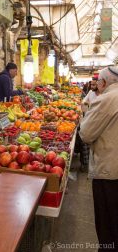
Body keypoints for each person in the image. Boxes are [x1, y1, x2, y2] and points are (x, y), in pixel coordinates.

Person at [79, 66, 118, 251]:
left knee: (107, 224)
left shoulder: (108, 99)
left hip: (109, 171)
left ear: (102, 83)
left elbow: (86, 134)